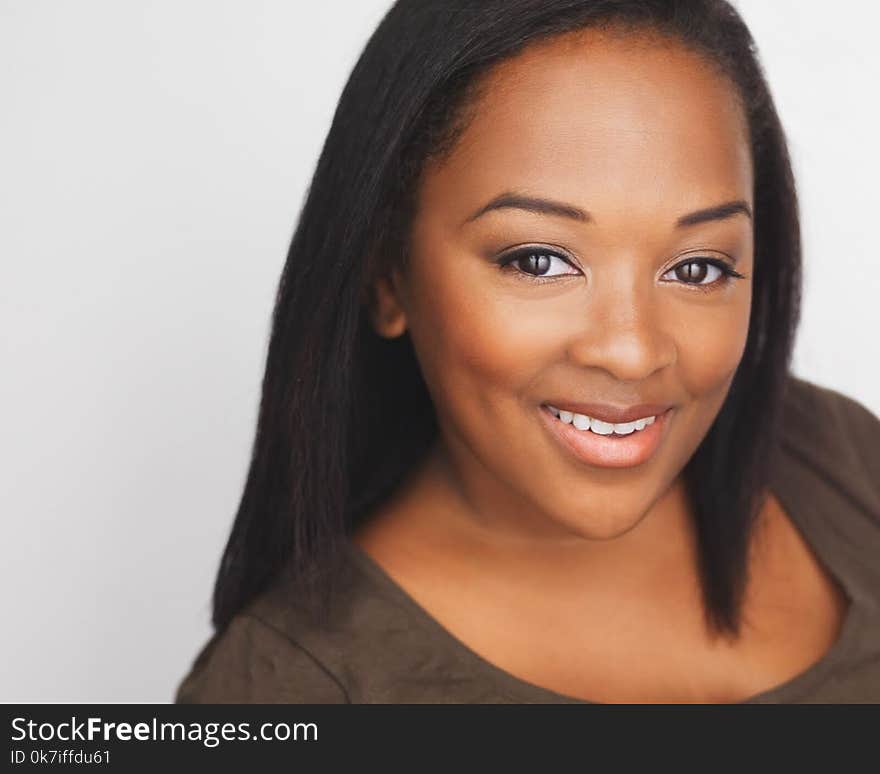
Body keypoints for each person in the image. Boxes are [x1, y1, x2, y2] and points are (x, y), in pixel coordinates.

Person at [174, 0, 880, 703]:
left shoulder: (841, 460)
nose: (631, 352)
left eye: (697, 268)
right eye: (538, 261)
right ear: (389, 274)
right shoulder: (288, 692)